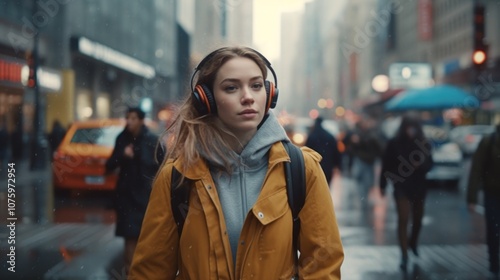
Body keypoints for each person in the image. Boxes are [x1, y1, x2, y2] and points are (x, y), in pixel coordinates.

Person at [129, 46, 344, 279]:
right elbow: (150, 271)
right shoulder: (177, 177)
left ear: (269, 94)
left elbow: (324, 264)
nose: (248, 97)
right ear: (207, 100)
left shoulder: (302, 169)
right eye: (231, 87)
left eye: (256, 85)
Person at [105, 107, 164, 274]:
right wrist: (123, 155)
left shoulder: (152, 140)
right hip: (126, 197)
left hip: (146, 197)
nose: (129, 122)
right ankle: (130, 273)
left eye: (133, 118)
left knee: (146, 238)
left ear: (140, 120)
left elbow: (162, 166)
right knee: (129, 237)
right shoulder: (122, 139)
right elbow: (109, 166)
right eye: (128, 118)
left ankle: (144, 273)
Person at [379, 115, 433, 271]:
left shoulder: (423, 143)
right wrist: (382, 185)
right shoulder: (394, 143)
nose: (411, 130)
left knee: (418, 219)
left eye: (413, 126)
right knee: (403, 218)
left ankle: (413, 242)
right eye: (408, 126)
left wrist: (420, 165)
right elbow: (386, 164)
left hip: (419, 187)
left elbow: (430, 164)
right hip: (401, 186)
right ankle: (404, 254)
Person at [467, 123, 500, 276]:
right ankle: (494, 263)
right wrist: (471, 198)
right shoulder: (489, 141)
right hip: (492, 193)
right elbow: (476, 169)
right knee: (493, 230)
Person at [348, 118, 383, 204]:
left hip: (368, 160)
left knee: (368, 180)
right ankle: (363, 195)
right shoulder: (357, 134)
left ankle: (365, 195)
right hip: (362, 159)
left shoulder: (371, 135)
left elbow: (378, 148)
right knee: (361, 178)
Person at [305, 116, 341, 187]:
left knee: (315, 187)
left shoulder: (312, 136)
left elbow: (306, 151)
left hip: (315, 166)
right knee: (326, 187)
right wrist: (337, 165)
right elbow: (336, 151)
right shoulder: (330, 136)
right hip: (328, 166)